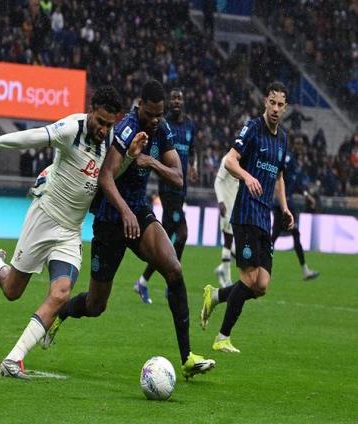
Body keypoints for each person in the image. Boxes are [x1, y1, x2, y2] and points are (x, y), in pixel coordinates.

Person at [43, 80, 216, 379]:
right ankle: (63, 312)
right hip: (111, 218)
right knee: (96, 305)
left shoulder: (162, 130)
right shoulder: (126, 128)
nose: (155, 120)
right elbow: (105, 176)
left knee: (174, 269)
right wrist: (123, 211)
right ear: (140, 106)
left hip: (138, 212)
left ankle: (187, 357)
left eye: (159, 114)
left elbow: (178, 178)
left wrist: (151, 162)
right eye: (150, 114)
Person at [0, 86, 146, 379]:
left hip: (70, 230)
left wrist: (128, 156)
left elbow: (107, 175)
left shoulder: (111, 140)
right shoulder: (71, 128)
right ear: (91, 111)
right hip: (44, 217)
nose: (104, 129)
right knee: (13, 290)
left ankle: (13, 359)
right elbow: (35, 136)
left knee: (61, 293)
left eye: (109, 124)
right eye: (100, 122)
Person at [200, 82, 294, 353]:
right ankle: (222, 337)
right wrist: (247, 176)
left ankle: (216, 295)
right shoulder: (252, 128)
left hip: (264, 216)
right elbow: (230, 161)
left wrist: (285, 208)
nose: (275, 108)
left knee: (261, 285)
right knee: (249, 278)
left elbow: (279, 177)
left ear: (285, 108)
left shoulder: (282, 138)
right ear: (265, 101)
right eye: (272, 102)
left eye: (280, 104)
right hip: (245, 213)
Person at [133, 88, 196, 304]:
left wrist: (193, 166)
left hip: (182, 187)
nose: (176, 101)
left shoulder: (190, 125)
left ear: (183, 101)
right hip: (168, 190)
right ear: (169, 102)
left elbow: (192, 150)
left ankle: (143, 281)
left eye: (180, 98)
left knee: (165, 243)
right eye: (174, 98)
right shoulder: (162, 125)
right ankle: (172, 281)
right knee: (183, 234)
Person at [271, 148, 319, 280]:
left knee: (278, 236)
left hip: (285, 204)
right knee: (277, 237)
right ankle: (262, 267)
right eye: (298, 144)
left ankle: (262, 267)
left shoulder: (295, 166)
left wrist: (306, 195)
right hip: (282, 205)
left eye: (301, 144)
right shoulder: (287, 158)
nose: (300, 146)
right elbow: (279, 176)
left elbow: (296, 184)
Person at [213, 154, 239, 288]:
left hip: (237, 209)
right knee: (228, 242)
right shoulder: (227, 159)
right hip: (227, 208)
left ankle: (222, 269)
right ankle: (227, 280)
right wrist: (221, 202)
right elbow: (217, 181)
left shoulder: (243, 161)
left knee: (238, 249)